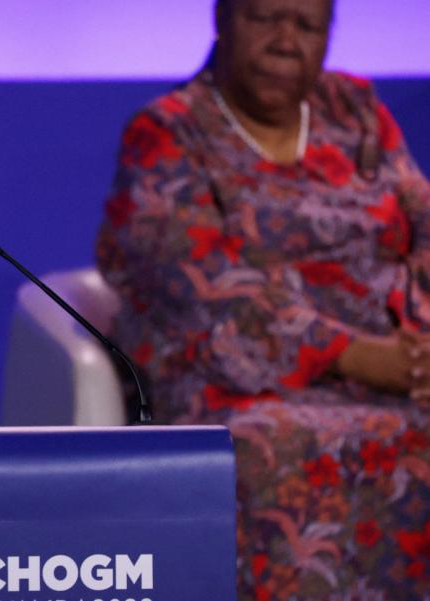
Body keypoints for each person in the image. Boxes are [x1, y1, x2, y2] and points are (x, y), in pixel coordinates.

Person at [96, 0, 430, 598]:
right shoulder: (169, 132)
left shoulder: (354, 112)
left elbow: (422, 227)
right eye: (267, 18)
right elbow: (193, 283)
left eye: (307, 26)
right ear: (223, 20)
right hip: (237, 384)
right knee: (271, 450)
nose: (285, 41)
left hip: (395, 372)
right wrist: (356, 356)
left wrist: (420, 350)